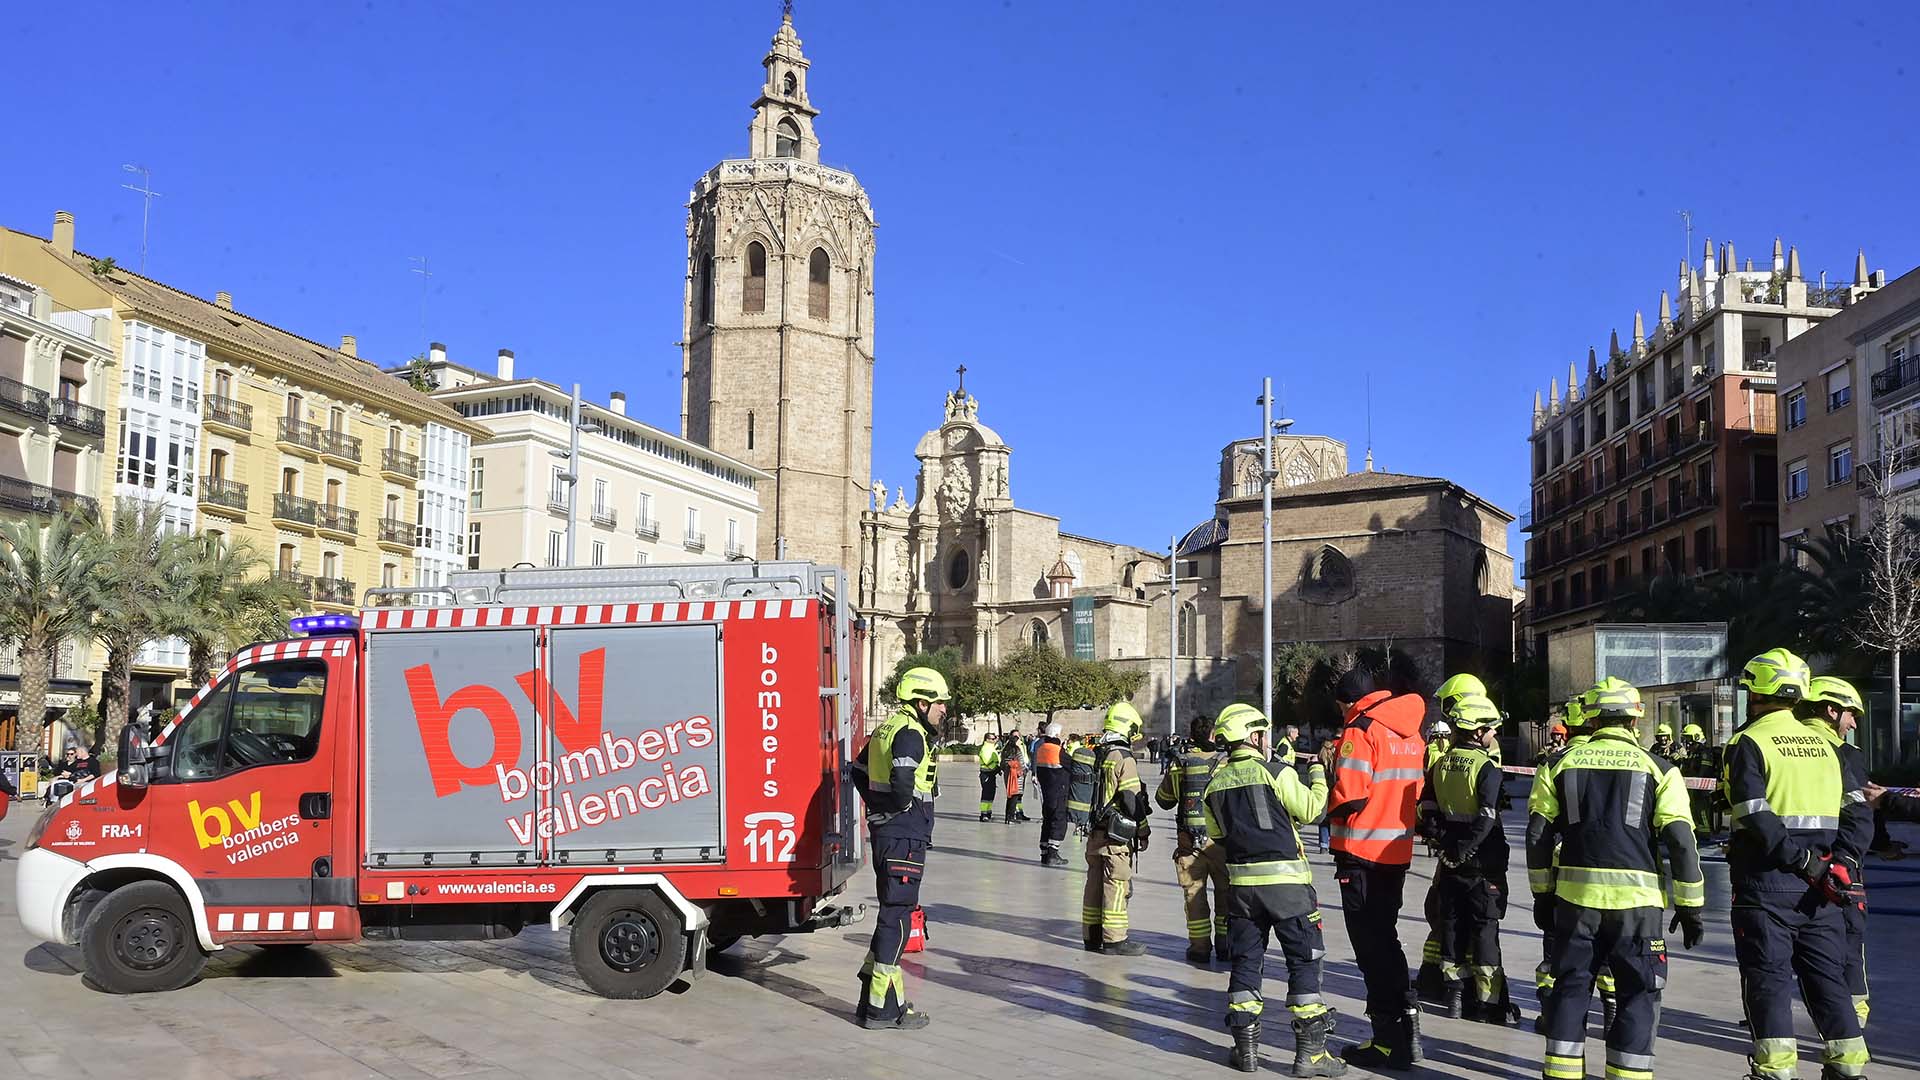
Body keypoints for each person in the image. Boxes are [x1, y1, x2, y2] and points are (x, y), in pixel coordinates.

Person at [1527, 678, 1705, 1080]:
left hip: (1576, 902)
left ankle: (1562, 1074)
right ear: (1635, 720)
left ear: (1590, 719)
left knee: (1571, 989)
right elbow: (1680, 840)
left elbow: (1537, 834)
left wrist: (1542, 893)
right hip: (1639, 911)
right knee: (1637, 995)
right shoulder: (1661, 769)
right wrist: (1691, 906)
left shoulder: (1557, 764)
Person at [1722, 649, 1869, 1080]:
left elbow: (1751, 811)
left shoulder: (1748, 741)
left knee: (1767, 980)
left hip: (1767, 881)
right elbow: (1856, 813)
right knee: (1828, 979)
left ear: (1755, 691)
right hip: (1824, 886)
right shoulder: (1830, 747)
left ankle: (1776, 1071)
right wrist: (1837, 862)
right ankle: (1848, 1067)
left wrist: (1799, 860)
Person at [1203, 703, 1341, 1075]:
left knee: (1247, 962)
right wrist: (1316, 773)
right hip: (1288, 887)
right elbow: (1312, 810)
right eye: (1263, 734)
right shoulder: (1276, 771)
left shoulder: (1213, 785)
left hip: (1242, 890)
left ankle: (1246, 1051)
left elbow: (1217, 835)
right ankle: (1310, 1056)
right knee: (1304, 960)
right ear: (1254, 736)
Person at [1325, 667, 1427, 1069]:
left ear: (1348, 703)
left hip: (1360, 854)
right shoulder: (1410, 730)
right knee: (1389, 942)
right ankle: (1409, 1031)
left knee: (1370, 949)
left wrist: (1324, 799)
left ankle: (1388, 1041)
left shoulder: (1360, 730)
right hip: (1395, 853)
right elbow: (1415, 789)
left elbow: (1350, 795)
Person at [853, 666, 947, 1030]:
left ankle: (873, 1001)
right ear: (921, 702)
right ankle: (881, 1009)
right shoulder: (910, 733)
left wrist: (876, 809)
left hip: (889, 834)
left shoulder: (886, 728)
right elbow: (903, 780)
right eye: (939, 703)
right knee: (898, 916)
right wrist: (899, 808)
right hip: (904, 836)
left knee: (892, 914)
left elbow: (858, 770)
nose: (943, 710)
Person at [1421, 692, 1518, 1024]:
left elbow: (1426, 812)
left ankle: (1456, 998)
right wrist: (1465, 850)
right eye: (1490, 728)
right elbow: (1487, 818)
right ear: (1477, 731)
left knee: (1451, 928)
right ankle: (1489, 1006)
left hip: (1451, 866)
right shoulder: (1487, 768)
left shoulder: (1440, 763)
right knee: (1484, 932)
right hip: (1482, 866)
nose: (1493, 733)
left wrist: (1447, 847)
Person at [1805, 676, 1873, 1030]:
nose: (1854, 723)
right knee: (1848, 945)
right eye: (1850, 714)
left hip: (1794, 870)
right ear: (1831, 710)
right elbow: (1859, 813)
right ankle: (1854, 1024)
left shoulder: (1780, 746)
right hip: (1840, 871)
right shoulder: (1846, 754)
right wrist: (1847, 860)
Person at [1156, 712, 1230, 963]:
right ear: (1214, 735)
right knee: (1226, 893)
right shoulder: (1225, 762)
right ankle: (1225, 944)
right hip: (1221, 840)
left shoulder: (1181, 762)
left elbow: (1164, 801)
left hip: (1189, 841)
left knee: (1194, 895)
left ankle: (1199, 948)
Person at [1083, 702, 1151, 956]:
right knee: (1116, 884)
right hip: (1115, 837)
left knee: (1093, 885)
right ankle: (1115, 940)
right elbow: (1132, 800)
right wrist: (1143, 829)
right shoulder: (1123, 757)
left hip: (1095, 833)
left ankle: (1091, 936)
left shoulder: (1099, 752)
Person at [1034, 722, 1071, 866]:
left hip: (1046, 792)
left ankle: (1044, 853)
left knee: (1047, 821)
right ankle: (1053, 853)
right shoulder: (1058, 751)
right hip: (1059, 791)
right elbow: (1072, 765)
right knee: (1059, 821)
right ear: (1056, 735)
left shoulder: (1041, 748)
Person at [1068, 734, 1097, 837]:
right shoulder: (1082, 750)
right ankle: (1081, 823)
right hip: (1084, 784)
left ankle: (1078, 823)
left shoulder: (1074, 749)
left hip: (1077, 782)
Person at [976, 736, 1001, 822]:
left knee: (991, 794)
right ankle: (983, 814)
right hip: (986, 774)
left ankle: (988, 813)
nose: (995, 740)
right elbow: (987, 761)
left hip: (992, 774)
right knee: (986, 794)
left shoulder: (992, 748)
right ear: (987, 739)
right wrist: (996, 768)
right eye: (993, 738)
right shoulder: (985, 748)